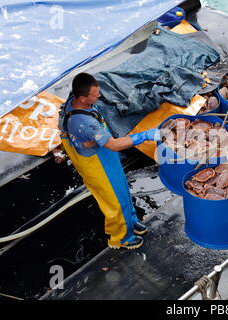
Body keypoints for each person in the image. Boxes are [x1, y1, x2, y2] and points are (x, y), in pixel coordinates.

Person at [59, 72, 160, 250]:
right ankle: (120, 238)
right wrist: (145, 135)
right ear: (82, 98)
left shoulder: (74, 103)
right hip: (97, 165)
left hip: (103, 156)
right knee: (114, 202)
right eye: (95, 94)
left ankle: (131, 221)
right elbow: (113, 145)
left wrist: (88, 141)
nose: (99, 95)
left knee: (122, 191)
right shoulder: (83, 122)